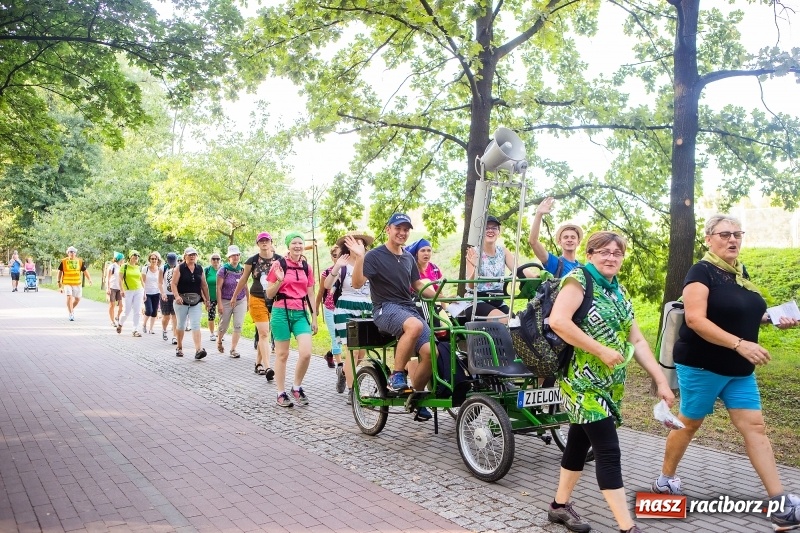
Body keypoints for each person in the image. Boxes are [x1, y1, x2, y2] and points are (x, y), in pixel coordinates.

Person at [652, 214, 800, 531]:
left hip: (739, 370)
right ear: (709, 239)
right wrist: (740, 344)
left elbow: (742, 314)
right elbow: (695, 320)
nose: (732, 239)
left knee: (755, 428)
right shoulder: (701, 272)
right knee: (689, 424)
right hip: (702, 365)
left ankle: (780, 505)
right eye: (724, 234)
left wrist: (774, 318)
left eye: (737, 234)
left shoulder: (739, 274)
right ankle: (665, 480)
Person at [544, 231, 674, 533]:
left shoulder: (619, 290)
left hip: (609, 384)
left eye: (617, 253)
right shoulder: (578, 281)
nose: (611, 257)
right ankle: (627, 527)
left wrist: (661, 380)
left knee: (578, 442)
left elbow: (637, 340)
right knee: (608, 450)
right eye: (604, 251)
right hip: (580, 382)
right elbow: (558, 321)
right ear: (590, 254)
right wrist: (600, 350)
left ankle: (559, 507)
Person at [349, 213, 437, 421]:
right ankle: (396, 375)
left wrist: (441, 296)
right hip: (384, 308)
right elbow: (357, 283)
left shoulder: (408, 257)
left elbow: (417, 284)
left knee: (432, 352)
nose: (402, 233)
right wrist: (360, 257)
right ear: (388, 229)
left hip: (408, 308)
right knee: (414, 326)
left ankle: (415, 397)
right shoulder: (374, 256)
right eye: (398, 228)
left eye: (406, 229)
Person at [266, 232, 317, 407]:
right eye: (294, 243)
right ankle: (280, 393)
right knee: (282, 354)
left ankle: (296, 387)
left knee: (306, 353)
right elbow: (269, 293)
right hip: (281, 312)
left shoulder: (306, 267)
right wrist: (279, 281)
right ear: (288, 246)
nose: (297, 246)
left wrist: (314, 317)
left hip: (301, 313)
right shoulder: (278, 264)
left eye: (300, 243)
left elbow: (310, 293)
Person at [325, 231, 374, 404]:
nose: (357, 245)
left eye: (360, 243)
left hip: (366, 309)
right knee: (352, 352)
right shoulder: (343, 264)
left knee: (361, 353)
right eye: (353, 242)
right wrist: (336, 267)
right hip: (345, 308)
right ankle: (353, 391)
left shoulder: (370, 264)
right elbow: (327, 285)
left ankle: (344, 372)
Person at [231, 232, 281, 379]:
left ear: (271, 242)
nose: (264, 242)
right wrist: (234, 296)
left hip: (275, 300)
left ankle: (258, 363)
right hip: (257, 299)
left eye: (267, 240)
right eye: (261, 241)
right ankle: (268, 367)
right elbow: (243, 280)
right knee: (264, 333)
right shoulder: (252, 261)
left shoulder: (280, 260)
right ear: (257, 243)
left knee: (264, 333)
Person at [461, 215, 515, 322]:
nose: (490, 230)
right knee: (505, 321)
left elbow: (519, 269)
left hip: (497, 301)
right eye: (486, 228)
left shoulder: (503, 252)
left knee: (517, 322)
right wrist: (476, 267)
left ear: (498, 232)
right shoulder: (473, 252)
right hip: (477, 301)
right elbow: (471, 285)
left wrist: (535, 276)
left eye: (494, 228)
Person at [171, 247, 211, 359]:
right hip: (181, 301)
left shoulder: (199, 268)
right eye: (190, 255)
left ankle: (198, 350)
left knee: (195, 324)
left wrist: (207, 300)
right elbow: (173, 284)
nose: (192, 256)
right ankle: (179, 347)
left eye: (194, 254)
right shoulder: (179, 268)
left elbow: (204, 285)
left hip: (196, 300)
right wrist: (177, 296)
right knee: (181, 324)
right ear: (185, 256)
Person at [528, 197, 584, 276]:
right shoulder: (555, 263)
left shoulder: (583, 268)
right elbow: (533, 241)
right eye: (566, 237)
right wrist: (539, 214)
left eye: (573, 237)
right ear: (559, 242)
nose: (569, 240)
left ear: (578, 242)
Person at [216, 245, 247, 358]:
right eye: (233, 255)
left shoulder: (242, 270)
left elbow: (245, 286)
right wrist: (219, 304)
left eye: (237, 255)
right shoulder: (223, 270)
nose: (236, 257)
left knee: (238, 325)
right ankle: (219, 340)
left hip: (240, 300)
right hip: (226, 300)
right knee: (224, 325)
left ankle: (233, 349)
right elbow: (218, 288)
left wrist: (248, 301)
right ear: (229, 257)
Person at [315, 245, 342, 369]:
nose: (337, 258)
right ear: (332, 257)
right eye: (335, 256)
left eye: (339, 255)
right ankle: (340, 365)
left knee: (342, 337)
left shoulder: (349, 271)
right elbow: (321, 291)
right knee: (335, 336)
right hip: (330, 309)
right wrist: (316, 308)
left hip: (344, 308)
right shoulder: (327, 272)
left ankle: (330, 354)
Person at [58, 246, 93, 321]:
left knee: (77, 299)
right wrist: (59, 283)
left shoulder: (79, 261)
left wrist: (89, 279)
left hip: (77, 283)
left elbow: (85, 271)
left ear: (75, 253)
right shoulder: (64, 261)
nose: (72, 253)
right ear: (68, 253)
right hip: (67, 283)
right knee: (69, 297)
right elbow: (60, 272)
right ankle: (71, 313)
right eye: (70, 252)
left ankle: (70, 309)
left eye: (74, 252)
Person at [116, 250, 144, 336]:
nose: (136, 257)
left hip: (138, 290)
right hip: (128, 291)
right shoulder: (124, 266)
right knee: (126, 311)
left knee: (137, 311)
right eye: (134, 255)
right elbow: (120, 279)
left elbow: (141, 280)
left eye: (137, 256)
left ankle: (135, 330)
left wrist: (144, 291)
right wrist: (121, 290)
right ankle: (120, 323)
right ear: (130, 257)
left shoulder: (138, 267)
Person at [159, 252, 179, 344]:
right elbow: (160, 283)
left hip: (175, 294)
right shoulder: (163, 268)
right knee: (166, 317)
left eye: (173, 261)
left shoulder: (178, 267)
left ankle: (175, 337)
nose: (172, 263)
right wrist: (163, 293)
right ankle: (164, 330)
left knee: (175, 316)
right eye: (170, 261)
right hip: (165, 295)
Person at [142, 251, 162, 335]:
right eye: (152, 259)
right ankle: (144, 324)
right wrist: (143, 293)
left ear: (158, 260)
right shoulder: (145, 269)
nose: (153, 260)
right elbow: (143, 282)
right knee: (149, 310)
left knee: (154, 312)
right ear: (149, 259)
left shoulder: (160, 269)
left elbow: (161, 282)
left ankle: (151, 329)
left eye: (155, 259)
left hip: (156, 293)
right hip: (147, 293)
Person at [205, 253, 221, 341]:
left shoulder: (223, 269)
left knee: (223, 315)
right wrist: (204, 298)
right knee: (211, 315)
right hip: (210, 297)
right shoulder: (207, 270)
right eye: (213, 259)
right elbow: (202, 284)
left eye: (217, 259)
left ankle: (220, 333)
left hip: (222, 297)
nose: (216, 261)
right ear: (211, 260)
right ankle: (212, 333)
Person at [105, 252, 124, 327]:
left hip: (120, 288)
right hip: (112, 287)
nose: (123, 260)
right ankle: (112, 321)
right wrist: (108, 288)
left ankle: (117, 316)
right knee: (112, 305)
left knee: (121, 306)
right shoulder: (112, 266)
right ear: (120, 259)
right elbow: (108, 278)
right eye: (123, 259)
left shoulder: (122, 267)